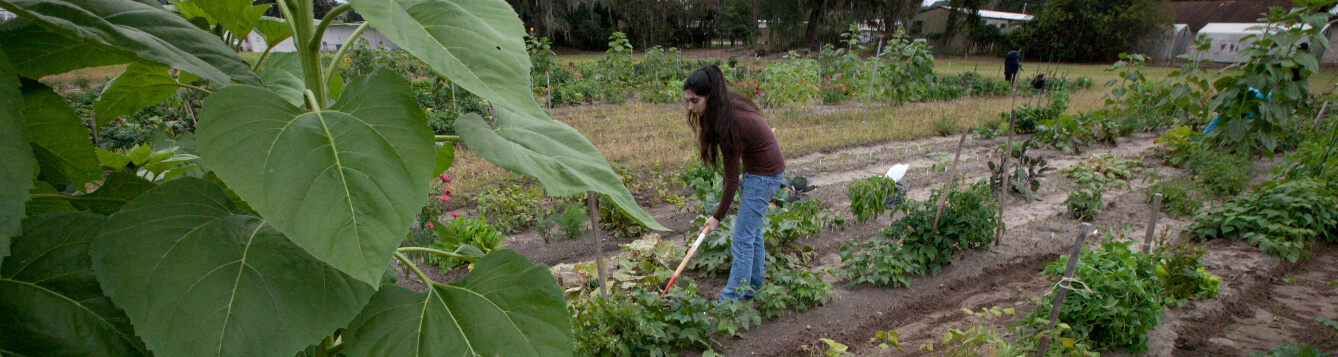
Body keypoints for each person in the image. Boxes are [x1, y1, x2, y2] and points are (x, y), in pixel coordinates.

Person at [682, 65, 786, 303]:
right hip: (761, 171)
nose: (690, 107)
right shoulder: (726, 108)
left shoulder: (729, 121)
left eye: (694, 101)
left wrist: (717, 216)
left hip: (764, 175)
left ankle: (731, 300)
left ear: (709, 96)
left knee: (741, 238)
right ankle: (754, 287)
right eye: (687, 101)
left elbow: (730, 179)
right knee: (751, 233)